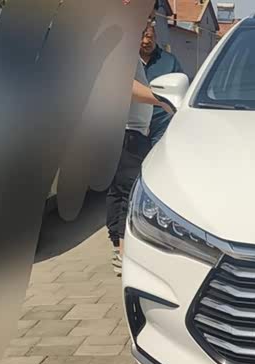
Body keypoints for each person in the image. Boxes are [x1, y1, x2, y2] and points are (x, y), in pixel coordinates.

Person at [106, 16, 173, 275]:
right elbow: (125, 86)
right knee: (130, 191)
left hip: (128, 131)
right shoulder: (121, 50)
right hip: (127, 133)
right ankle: (125, 254)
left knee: (119, 191)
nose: (149, 31)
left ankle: (118, 248)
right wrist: (161, 100)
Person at [140, 23, 185, 144]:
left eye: (149, 36)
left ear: (155, 37)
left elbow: (181, 91)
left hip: (161, 123)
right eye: (141, 37)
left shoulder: (169, 61)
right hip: (132, 126)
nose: (145, 41)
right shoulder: (127, 60)